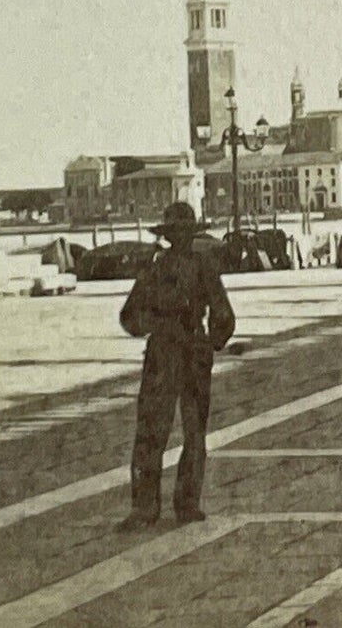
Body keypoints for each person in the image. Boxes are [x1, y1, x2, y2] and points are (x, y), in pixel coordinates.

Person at [116, 201, 236, 530]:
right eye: (178, 233)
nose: (181, 239)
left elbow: (222, 314)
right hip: (171, 351)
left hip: (181, 351)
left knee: (184, 433)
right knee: (161, 431)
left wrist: (209, 340)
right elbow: (131, 316)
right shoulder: (167, 268)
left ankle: (166, 505)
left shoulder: (174, 268)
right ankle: (162, 505)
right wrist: (207, 337)